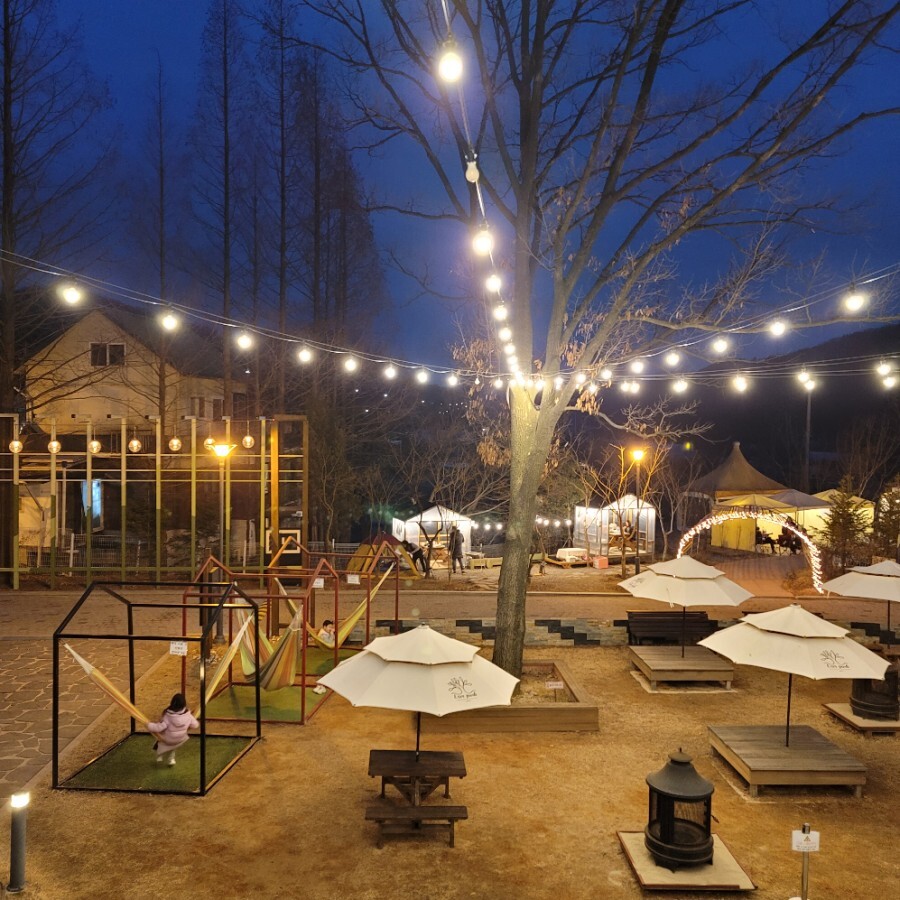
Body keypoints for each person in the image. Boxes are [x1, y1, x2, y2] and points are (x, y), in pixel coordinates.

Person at [147, 692, 199, 767]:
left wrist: (149, 725)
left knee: (160, 741)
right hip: (180, 739)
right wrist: (187, 726)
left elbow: (159, 727)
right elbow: (195, 725)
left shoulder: (168, 716)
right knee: (172, 746)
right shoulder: (188, 715)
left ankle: (159, 756)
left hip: (168, 739)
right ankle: (171, 760)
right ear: (184, 704)